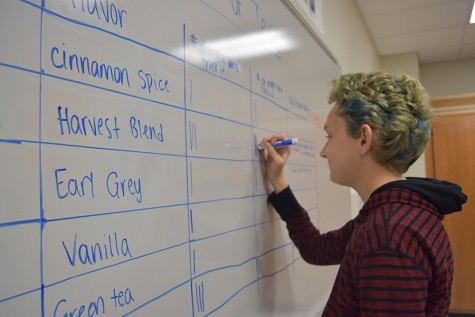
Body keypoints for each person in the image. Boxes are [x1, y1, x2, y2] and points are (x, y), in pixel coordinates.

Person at [259, 71, 467, 316]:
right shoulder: (394, 214)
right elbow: (315, 248)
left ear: (364, 140)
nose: (323, 152)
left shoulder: (389, 233)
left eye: (330, 135)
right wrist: (278, 181)